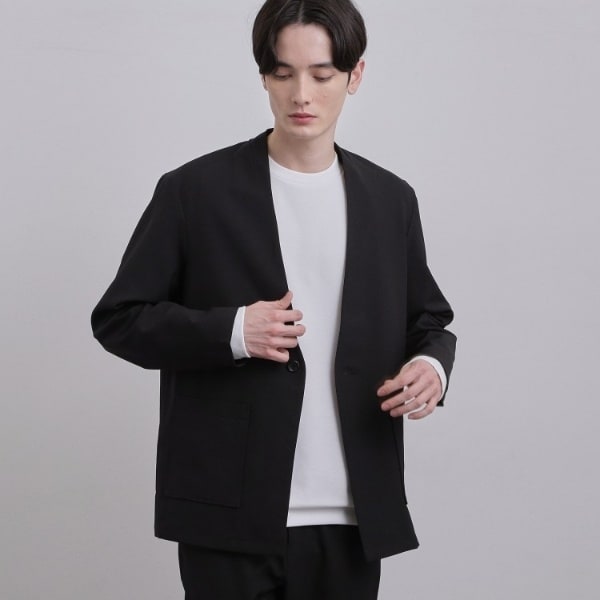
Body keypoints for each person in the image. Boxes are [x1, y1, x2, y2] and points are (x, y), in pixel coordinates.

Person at [91, 0, 456, 597]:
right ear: (263, 75)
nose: (301, 95)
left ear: (355, 76)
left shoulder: (391, 200)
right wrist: (233, 332)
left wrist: (430, 367)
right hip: (228, 510)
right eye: (283, 73)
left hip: (353, 510)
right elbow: (119, 319)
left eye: (322, 74)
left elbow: (429, 321)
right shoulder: (193, 191)